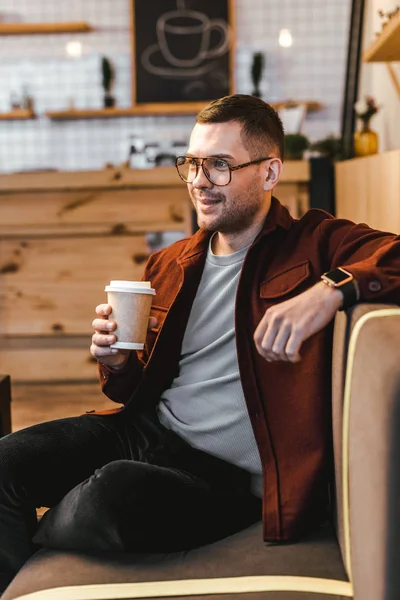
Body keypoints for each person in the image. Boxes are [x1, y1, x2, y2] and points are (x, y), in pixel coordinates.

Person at [0, 93, 400, 594]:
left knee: (108, 497)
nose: (198, 181)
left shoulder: (314, 242)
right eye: (191, 163)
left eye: (218, 165)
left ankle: (35, 553)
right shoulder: (169, 263)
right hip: (149, 432)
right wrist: (119, 362)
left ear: (270, 173)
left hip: (229, 481)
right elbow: (127, 393)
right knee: (4, 463)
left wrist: (328, 291)